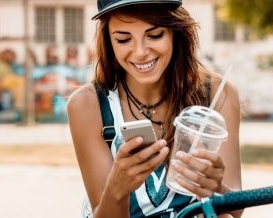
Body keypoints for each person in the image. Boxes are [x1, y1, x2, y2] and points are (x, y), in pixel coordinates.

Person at [66, 0, 242, 217]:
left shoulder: (218, 94)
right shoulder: (87, 105)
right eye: (123, 39)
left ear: (175, 32)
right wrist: (117, 188)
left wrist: (216, 189)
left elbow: (234, 212)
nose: (140, 52)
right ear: (108, 41)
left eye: (154, 35)